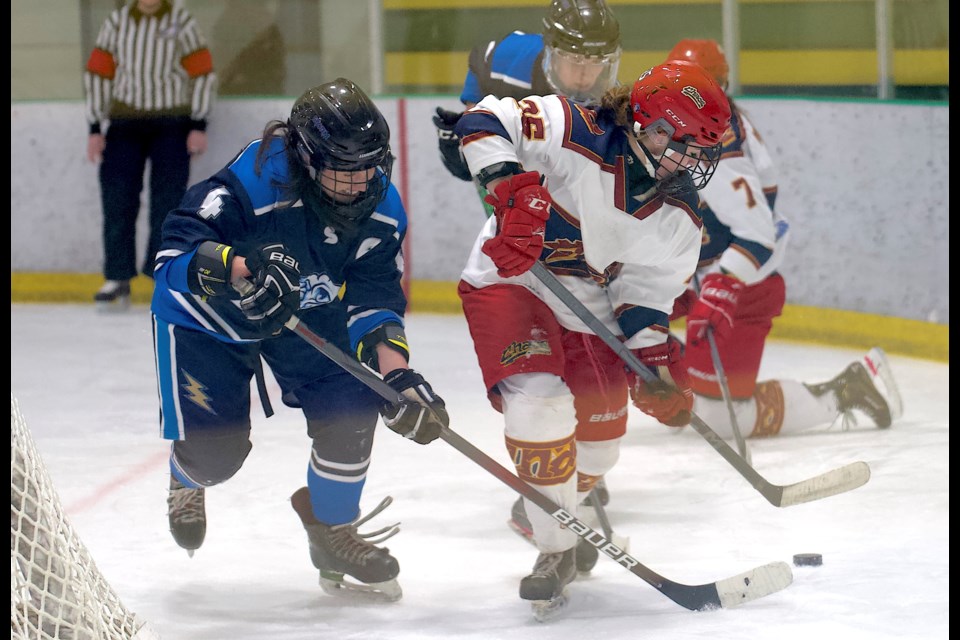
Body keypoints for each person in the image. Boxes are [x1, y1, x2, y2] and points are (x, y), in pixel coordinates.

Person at [149, 78, 449, 602]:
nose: (359, 184)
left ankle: (333, 531)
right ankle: (186, 475)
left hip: (306, 312)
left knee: (356, 402)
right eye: (343, 170)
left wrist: (397, 374)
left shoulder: (381, 206)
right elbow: (172, 255)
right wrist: (238, 269)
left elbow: (376, 294)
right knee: (214, 457)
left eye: (369, 166)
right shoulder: (255, 181)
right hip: (211, 320)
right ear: (307, 160)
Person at [454, 61, 731, 610]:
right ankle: (554, 547)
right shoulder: (574, 128)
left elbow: (645, 297)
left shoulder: (679, 216)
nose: (696, 162)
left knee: (600, 448)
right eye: (689, 146)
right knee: (540, 405)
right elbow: (482, 121)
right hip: (511, 279)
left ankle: (563, 512)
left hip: (588, 301)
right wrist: (508, 190)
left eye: (704, 152)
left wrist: (654, 366)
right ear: (652, 128)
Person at [664, 39, 903, 442]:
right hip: (699, 275)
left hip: (739, 286)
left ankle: (846, 391)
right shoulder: (696, 128)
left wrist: (721, 284)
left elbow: (756, 235)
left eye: (698, 89)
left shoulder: (717, 148)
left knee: (720, 418)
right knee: (621, 324)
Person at [84, 0, 217, 308]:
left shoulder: (180, 20)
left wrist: (198, 123)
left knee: (168, 202)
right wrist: (94, 125)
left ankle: (163, 275)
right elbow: (98, 73)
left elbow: (203, 73)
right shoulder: (117, 22)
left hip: (171, 124)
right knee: (117, 198)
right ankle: (118, 277)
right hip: (124, 122)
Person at [433, 0, 621, 215]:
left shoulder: (609, 102)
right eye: (574, 59)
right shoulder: (509, 60)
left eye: (597, 61)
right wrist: (474, 128)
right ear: (551, 49)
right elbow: (481, 62)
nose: (585, 74)